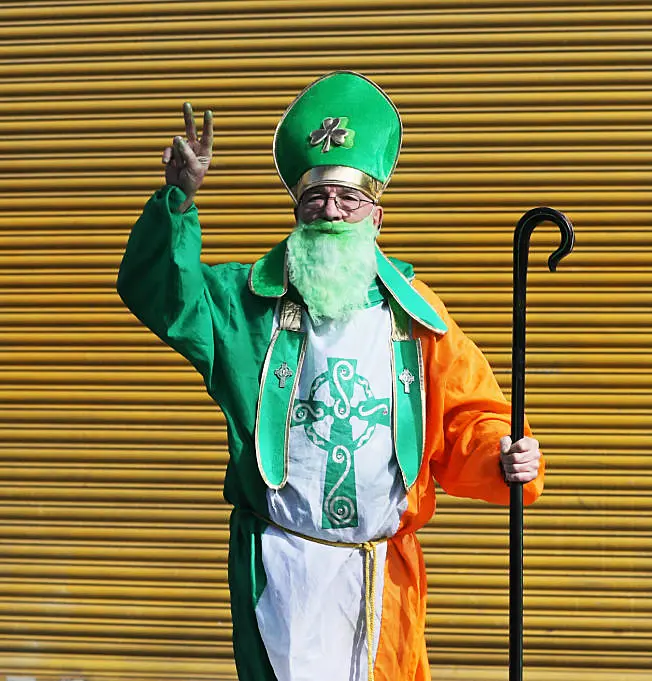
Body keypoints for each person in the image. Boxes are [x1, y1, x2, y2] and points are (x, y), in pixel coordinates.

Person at [117, 71, 545, 681]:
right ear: (296, 208)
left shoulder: (416, 315)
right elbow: (165, 295)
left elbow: (469, 418)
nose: (331, 212)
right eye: (316, 198)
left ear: (378, 215)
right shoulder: (249, 303)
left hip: (379, 573)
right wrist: (179, 204)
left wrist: (504, 455)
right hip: (280, 565)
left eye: (349, 199)